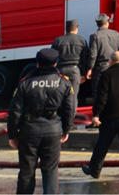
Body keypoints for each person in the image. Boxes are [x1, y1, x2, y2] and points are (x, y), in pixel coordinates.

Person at [7, 48, 75, 195]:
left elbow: (15, 111)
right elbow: (69, 110)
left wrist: (12, 135)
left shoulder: (25, 83)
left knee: (27, 171)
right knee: (50, 171)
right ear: (55, 64)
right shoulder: (63, 82)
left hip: (29, 131)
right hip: (53, 130)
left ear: (37, 64)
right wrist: (66, 130)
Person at [81, 51, 119, 182]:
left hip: (110, 114)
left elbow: (101, 97)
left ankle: (94, 169)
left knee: (103, 143)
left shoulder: (106, 75)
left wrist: (96, 114)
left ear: (111, 61)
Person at [87, 14, 119, 100]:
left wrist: (90, 68)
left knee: (99, 93)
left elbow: (93, 55)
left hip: (101, 68)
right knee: (114, 92)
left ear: (97, 24)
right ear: (107, 22)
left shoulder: (94, 36)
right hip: (115, 67)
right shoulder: (116, 34)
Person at [51, 21, 90, 98]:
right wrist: (84, 74)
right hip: (75, 70)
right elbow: (85, 58)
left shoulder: (58, 40)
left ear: (66, 29)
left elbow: (52, 56)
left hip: (61, 71)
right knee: (73, 96)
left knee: (60, 95)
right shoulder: (82, 40)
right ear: (76, 29)